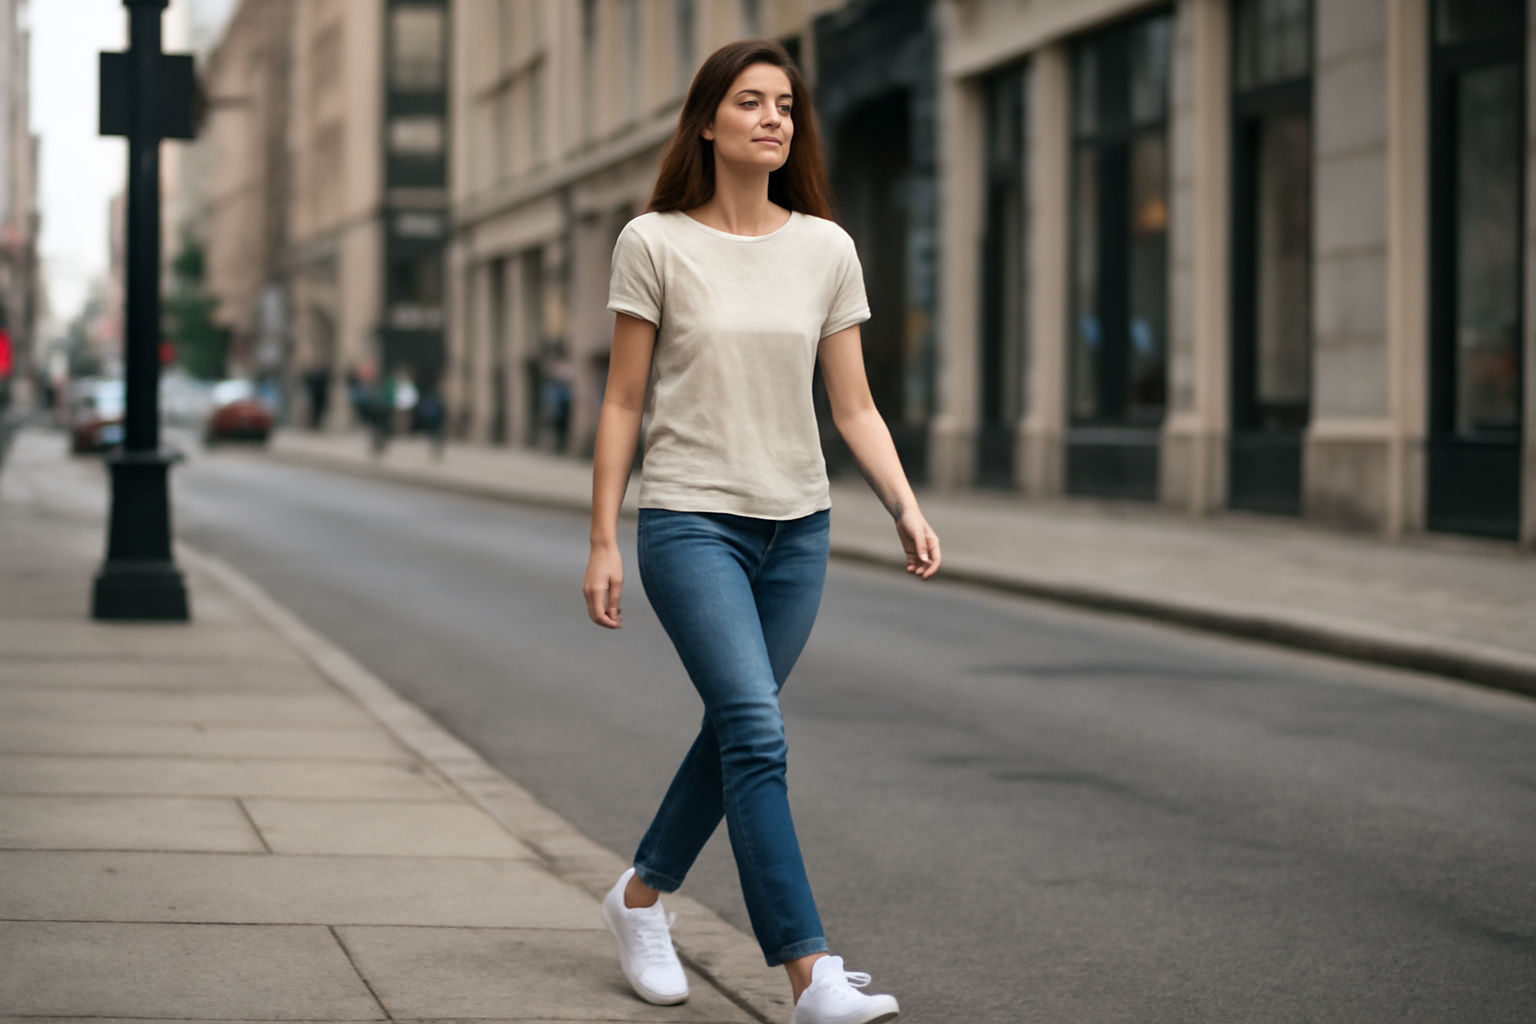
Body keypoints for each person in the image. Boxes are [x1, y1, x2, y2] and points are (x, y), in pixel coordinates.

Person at [582, 39, 940, 1024]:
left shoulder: (826, 248)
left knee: (738, 731)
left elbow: (854, 405)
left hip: (799, 530)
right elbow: (622, 402)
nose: (774, 117)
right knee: (756, 730)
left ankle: (638, 898)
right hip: (691, 520)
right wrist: (604, 537)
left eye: (785, 104)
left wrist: (904, 504)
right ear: (708, 122)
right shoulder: (654, 242)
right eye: (750, 101)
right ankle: (809, 974)